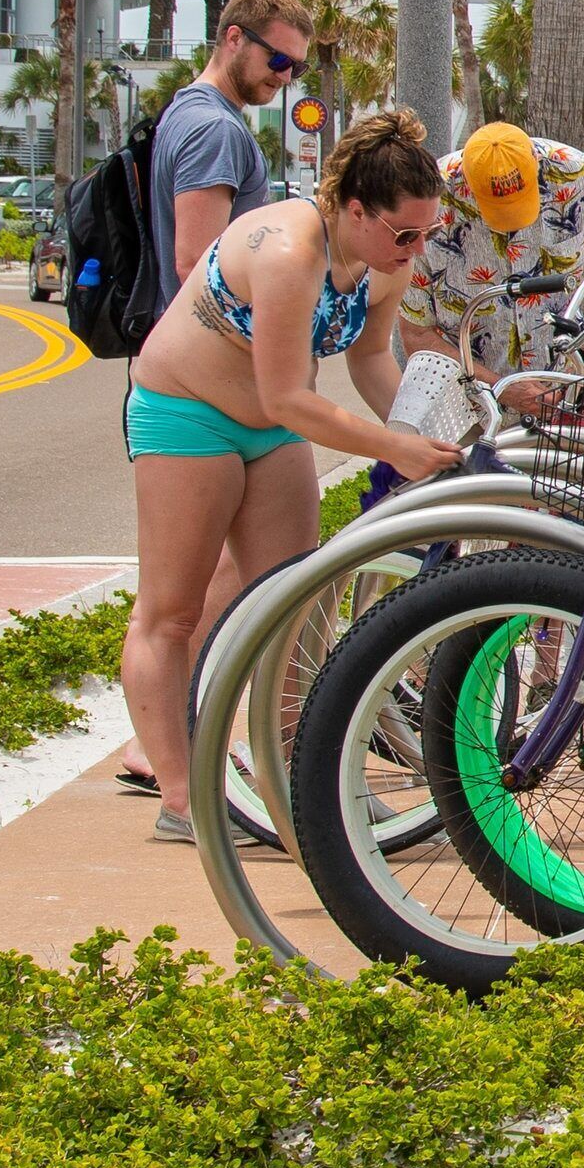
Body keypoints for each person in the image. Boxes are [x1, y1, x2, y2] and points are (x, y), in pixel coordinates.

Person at [120, 111, 458, 839]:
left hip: (272, 431)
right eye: (405, 233)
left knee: (295, 612)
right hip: (188, 413)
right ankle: (183, 798)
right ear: (353, 209)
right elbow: (287, 394)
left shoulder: (383, 263)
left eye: (428, 232)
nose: (417, 248)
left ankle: (297, 783)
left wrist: (416, 431)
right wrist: (391, 449)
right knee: (172, 612)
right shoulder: (286, 250)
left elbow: (370, 359)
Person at [398, 121, 584, 394]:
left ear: (536, 165)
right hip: (466, 402)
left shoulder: (575, 174)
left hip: (565, 392)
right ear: (468, 184)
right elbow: (416, 333)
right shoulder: (432, 198)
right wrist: (499, 388)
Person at [147, 0, 309, 332]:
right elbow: (196, 264)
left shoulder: (183, 108)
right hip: (205, 362)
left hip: (183, 349)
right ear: (235, 38)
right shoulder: (215, 128)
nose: (285, 76)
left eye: (296, 68)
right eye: (278, 58)